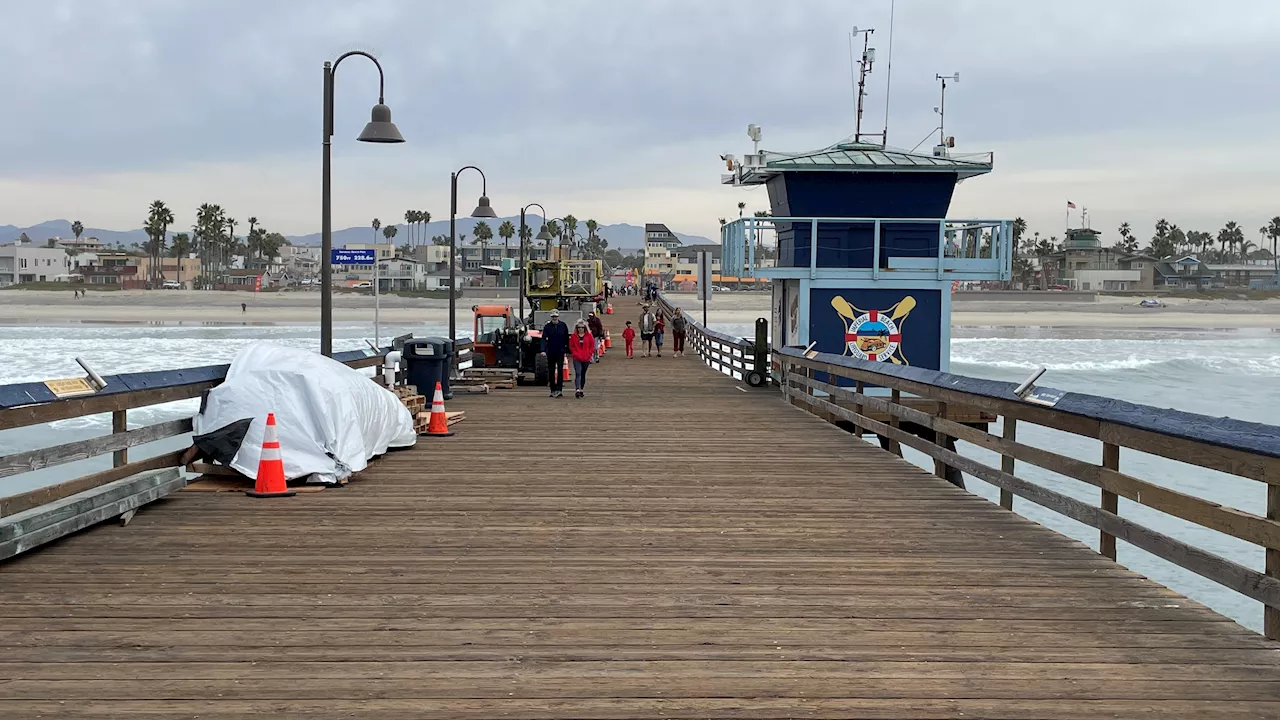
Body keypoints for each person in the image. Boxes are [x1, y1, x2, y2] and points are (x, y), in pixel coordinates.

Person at [541, 309, 570, 398]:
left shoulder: (563, 325)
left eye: (555, 317)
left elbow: (566, 338)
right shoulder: (547, 327)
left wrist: (568, 350)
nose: (554, 318)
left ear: (558, 317)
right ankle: (552, 389)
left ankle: (559, 389)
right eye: (553, 317)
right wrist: (543, 350)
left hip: (560, 351)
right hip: (551, 351)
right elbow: (544, 338)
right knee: (551, 371)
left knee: (560, 371)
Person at [568, 320, 595, 398]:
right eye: (578, 327)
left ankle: (581, 389)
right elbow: (571, 346)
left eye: (582, 327)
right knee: (578, 373)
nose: (580, 329)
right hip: (577, 357)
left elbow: (592, 346)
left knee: (583, 374)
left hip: (586, 358)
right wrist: (575, 353)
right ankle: (577, 390)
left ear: (585, 328)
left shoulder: (589, 336)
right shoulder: (573, 336)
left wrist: (589, 354)